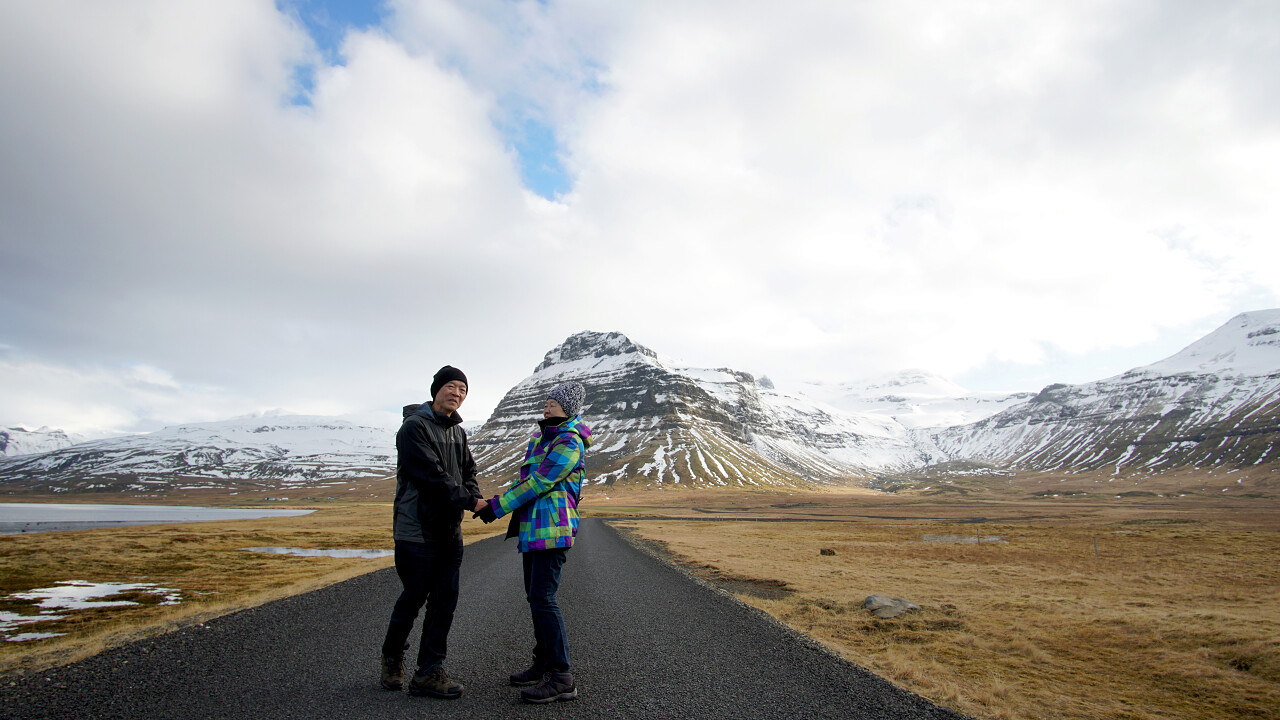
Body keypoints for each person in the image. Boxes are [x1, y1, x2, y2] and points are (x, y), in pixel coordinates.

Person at [474, 381, 591, 704]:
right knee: (536, 598)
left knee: (543, 599)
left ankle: (562, 677)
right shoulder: (543, 439)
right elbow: (526, 480)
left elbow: (540, 482)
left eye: (553, 403)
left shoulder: (569, 440)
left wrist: (496, 508)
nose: (547, 407)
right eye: (546, 402)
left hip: (552, 530)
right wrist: (496, 499)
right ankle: (543, 664)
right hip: (535, 530)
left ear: (569, 408)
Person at [379, 365, 487, 699]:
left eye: (463, 390)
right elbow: (431, 476)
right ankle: (392, 658)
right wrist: (472, 503)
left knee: (444, 603)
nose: (457, 393)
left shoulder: (459, 432)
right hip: (416, 531)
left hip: (448, 532)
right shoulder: (413, 428)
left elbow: (468, 471)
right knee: (413, 598)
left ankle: (428, 672)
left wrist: (473, 495)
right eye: (452, 387)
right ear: (436, 389)